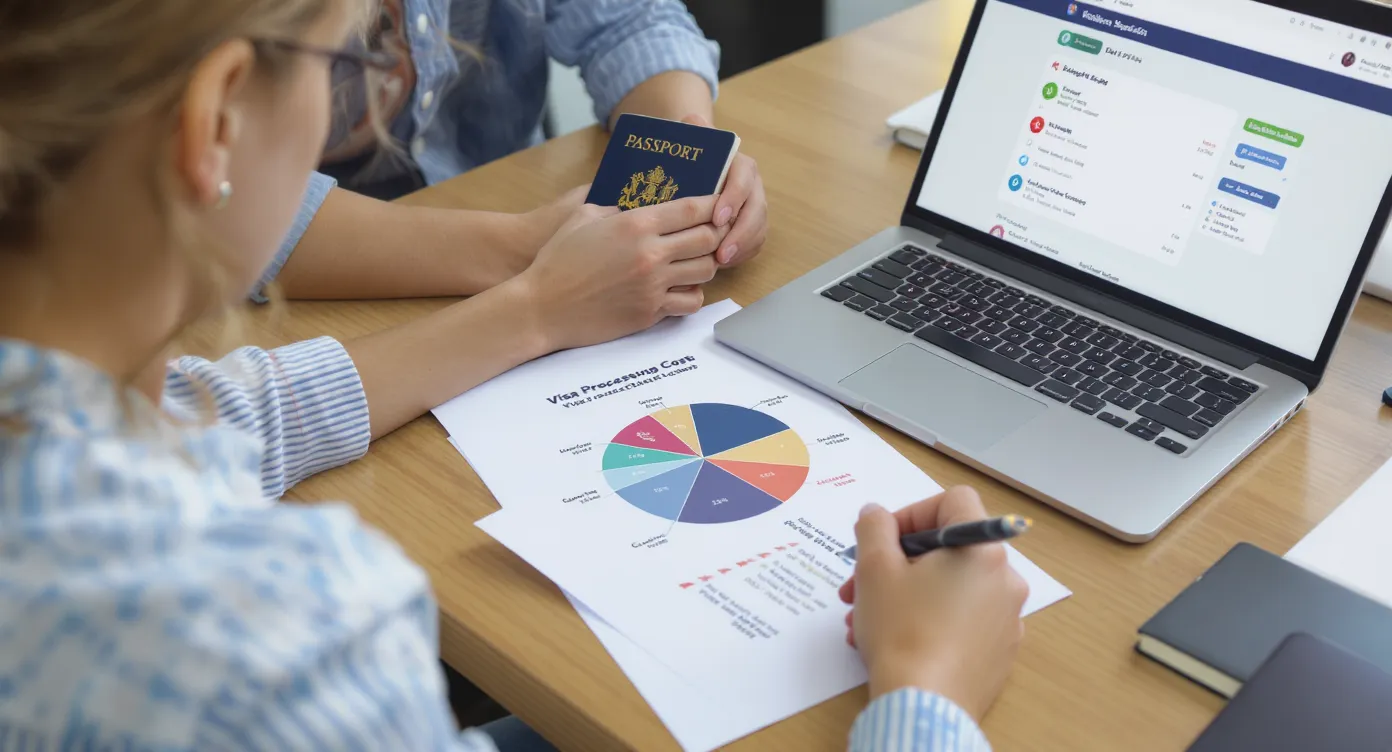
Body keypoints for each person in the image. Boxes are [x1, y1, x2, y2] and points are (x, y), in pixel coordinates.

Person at [0, 2, 1024, 750]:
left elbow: (217, 412)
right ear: (215, 120)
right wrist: (927, 690)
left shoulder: (73, 410)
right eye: (338, 56)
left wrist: (532, 309)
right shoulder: (283, 635)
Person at [254, 0, 768, 308]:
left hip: (530, 230)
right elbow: (224, 203)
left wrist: (689, 156)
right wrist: (529, 248)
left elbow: (632, 21)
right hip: (282, 305)